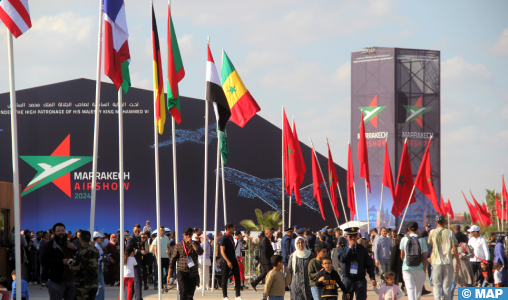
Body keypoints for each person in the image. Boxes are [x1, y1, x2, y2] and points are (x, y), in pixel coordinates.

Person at [40, 222, 77, 300]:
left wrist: (75, 249)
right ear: (53, 232)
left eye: (63, 230)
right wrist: (61, 262)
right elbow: (44, 261)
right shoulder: (49, 245)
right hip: (56, 281)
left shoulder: (70, 245)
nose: (61, 233)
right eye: (58, 231)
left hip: (71, 280)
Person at [338, 227, 376, 300]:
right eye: (350, 236)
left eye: (355, 236)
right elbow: (342, 259)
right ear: (347, 237)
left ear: (357, 237)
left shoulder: (362, 249)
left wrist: (372, 277)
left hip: (360, 279)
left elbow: (369, 265)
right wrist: (349, 248)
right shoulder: (343, 248)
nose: (353, 238)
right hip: (348, 278)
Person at [428, 214, 460, 300]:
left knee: (437, 285)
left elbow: (431, 244)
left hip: (436, 261)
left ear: (436, 223)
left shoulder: (432, 232)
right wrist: (457, 262)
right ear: (444, 222)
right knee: (447, 286)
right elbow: (455, 248)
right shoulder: (450, 232)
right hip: (447, 261)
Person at [168, 227, 203, 300]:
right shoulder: (179, 245)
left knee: (190, 295)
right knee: (183, 292)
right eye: (187, 234)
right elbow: (173, 261)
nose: (188, 236)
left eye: (190, 234)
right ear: (183, 235)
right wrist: (169, 274)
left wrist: (192, 243)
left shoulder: (195, 243)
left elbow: (200, 252)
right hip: (182, 272)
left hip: (193, 273)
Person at [400, 222, 427, 300]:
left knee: (410, 289)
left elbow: (402, 256)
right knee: (418, 291)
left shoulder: (403, 239)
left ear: (408, 229)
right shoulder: (422, 240)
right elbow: (424, 257)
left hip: (406, 267)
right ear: (417, 229)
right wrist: (424, 270)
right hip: (419, 267)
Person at [69, 231, 99, 300]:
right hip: (94, 284)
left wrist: (70, 266)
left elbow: (74, 271)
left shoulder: (80, 253)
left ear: (80, 239)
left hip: (83, 285)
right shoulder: (95, 250)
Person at [219, 223, 243, 300]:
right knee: (225, 278)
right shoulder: (224, 238)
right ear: (228, 229)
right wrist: (228, 261)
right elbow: (222, 251)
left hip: (233, 259)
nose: (234, 229)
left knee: (237, 276)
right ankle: (225, 296)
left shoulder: (231, 237)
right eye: (233, 228)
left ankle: (238, 296)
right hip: (225, 261)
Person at [451, 232, 474, 300]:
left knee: (465, 283)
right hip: (455, 267)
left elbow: (471, 254)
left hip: (464, 266)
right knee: (453, 283)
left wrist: (465, 256)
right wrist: (452, 253)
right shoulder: (452, 246)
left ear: (457, 239)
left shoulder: (464, 245)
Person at [126, 224, 146, 300]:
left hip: (138, 261)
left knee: (135, 281)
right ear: (133, 230)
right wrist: (140, 251)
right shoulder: (131, 238)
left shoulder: (138, 238)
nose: (137, 232)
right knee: (138, 281)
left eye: (138, 231)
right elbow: (129, 249)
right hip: (133, 262)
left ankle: (130, 297)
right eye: (135, 231)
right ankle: (138, 298)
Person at [152, 226, 170, 293]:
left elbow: (169, 247)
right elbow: (155, 250)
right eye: (161, 230)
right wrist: (157, 259)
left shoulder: (166, 238)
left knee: (168, 272)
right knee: (161, 273)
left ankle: (165, 284)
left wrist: (168, 250)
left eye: (163, 230)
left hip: (166, 257)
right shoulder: (156, 239)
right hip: (160, 258)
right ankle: (162, 287)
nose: (162, 231)